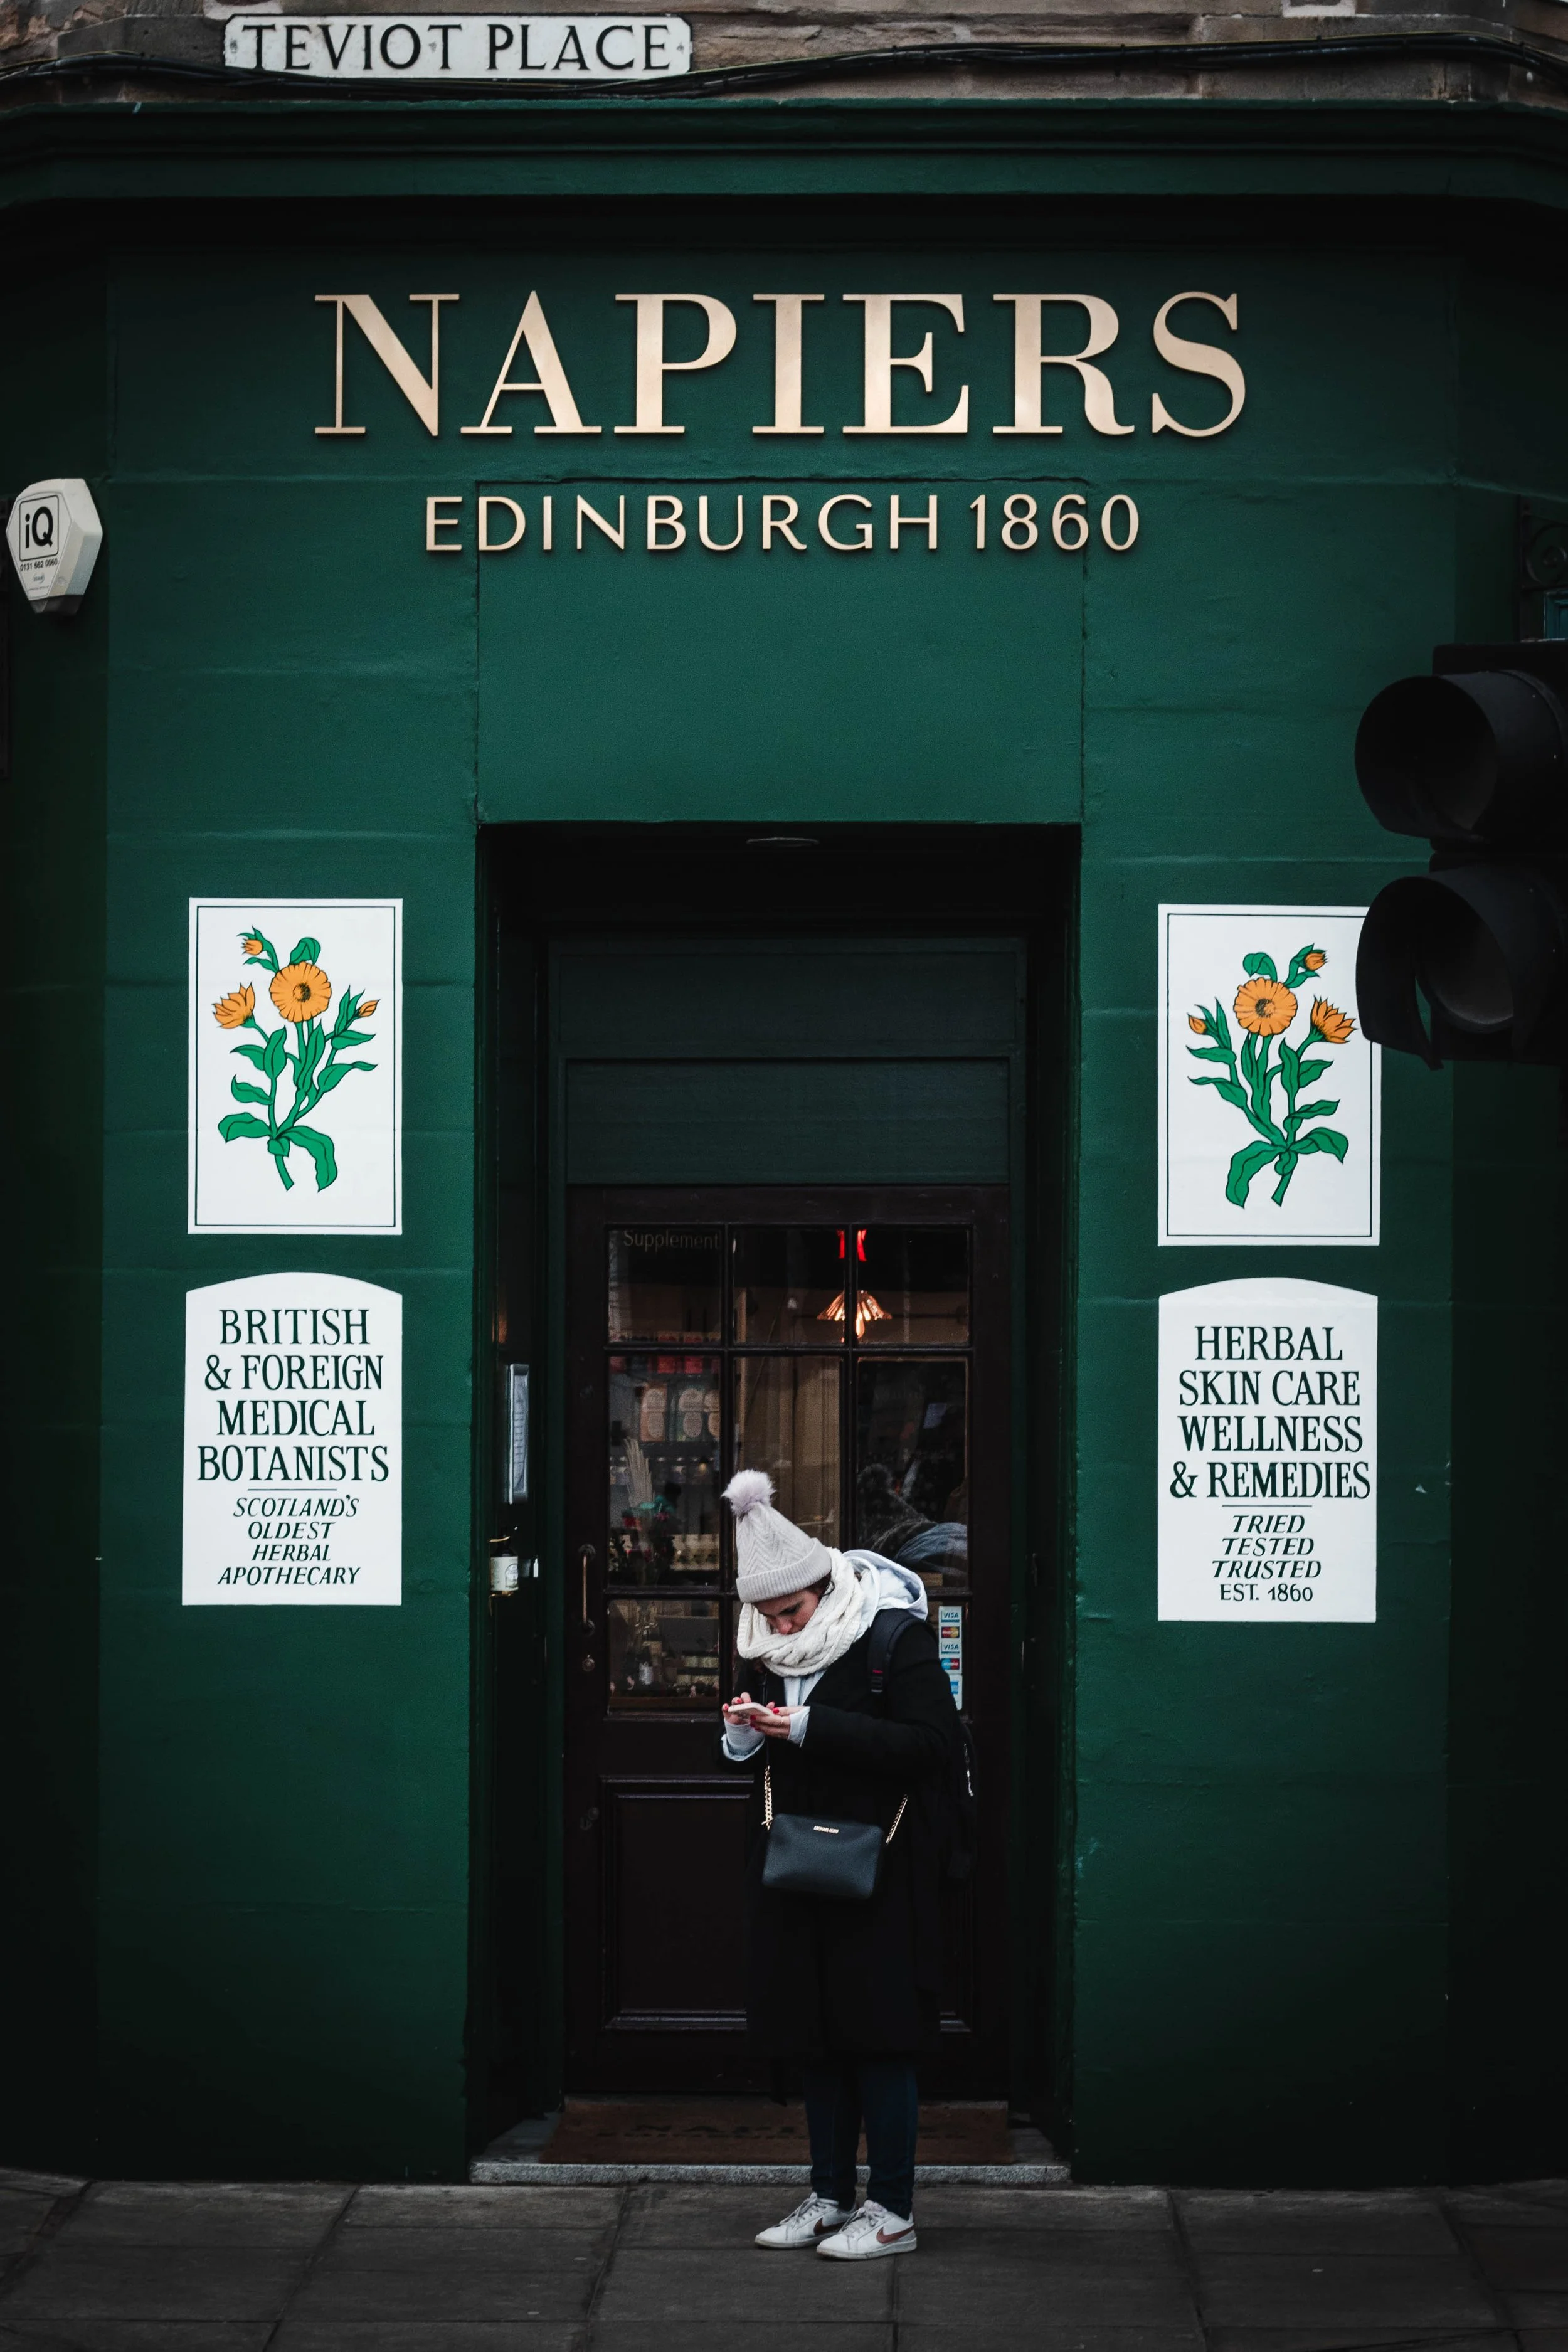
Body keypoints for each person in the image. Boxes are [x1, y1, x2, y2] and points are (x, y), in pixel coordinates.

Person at [717, 1466, 960, 2260]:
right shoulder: (766, 1647)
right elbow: (760, 1761)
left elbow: (931, 1747)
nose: (780, 1629)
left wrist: (811, 1727)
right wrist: (746, 1736)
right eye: (766, 1616)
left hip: (880, 1869)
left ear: (825, 1585)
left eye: (791, 1611)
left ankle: (891, 2211)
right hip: (795, 1864)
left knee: (880, 2038)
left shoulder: (893, 1635)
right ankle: (827, 2196)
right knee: (813, 2034)